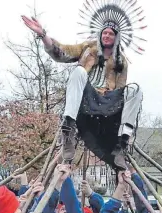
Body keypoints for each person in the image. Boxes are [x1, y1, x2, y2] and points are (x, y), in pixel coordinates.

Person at [21, 0, 146, 170]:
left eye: (111, 33)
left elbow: (121, 90)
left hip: (108, 103)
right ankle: (69, 129)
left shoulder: (121, 61)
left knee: (135, 89)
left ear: (116, 37)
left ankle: (122, 142)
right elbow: (62, 52)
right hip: (86, 98)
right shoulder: (88, 48)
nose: (107, 36)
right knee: (78, 71)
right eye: (105, 32)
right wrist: (43, 35)